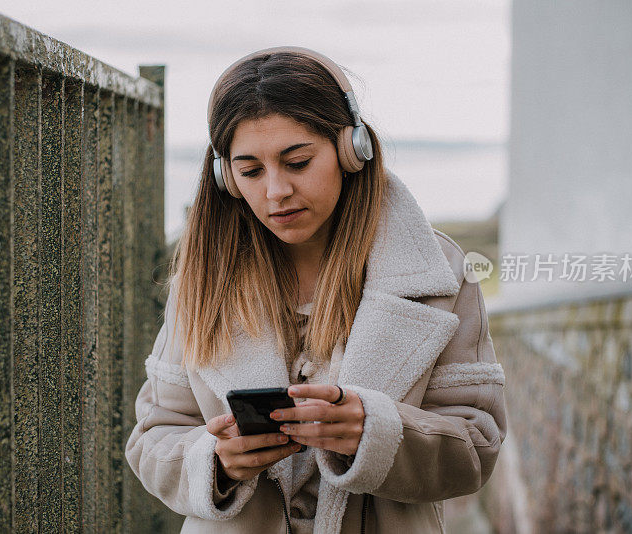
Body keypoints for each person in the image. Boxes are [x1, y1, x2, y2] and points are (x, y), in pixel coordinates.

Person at [125, 46, 507, 534]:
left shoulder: (439, 272)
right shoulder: (202, 279)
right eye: (251, 171)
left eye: (298, 161)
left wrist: (378, 432)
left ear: (352, 150)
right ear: (227, 177)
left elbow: (479, 444)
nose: (276, 191)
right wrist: (217, 461)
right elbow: (153, 439)